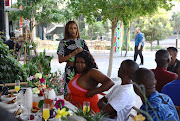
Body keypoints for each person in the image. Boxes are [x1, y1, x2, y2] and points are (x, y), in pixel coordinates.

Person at [57, 21, 89, 96]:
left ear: (77, 29)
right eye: (70, 28)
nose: (73, 30)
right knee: (69, 92)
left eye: (75, 28)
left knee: (81, 92)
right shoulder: (63, 43)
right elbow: (60, 60)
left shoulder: (82, 42)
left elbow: (88, 57)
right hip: (70, 71)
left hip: (81, 71)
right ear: (67, 30)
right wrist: (74, 53)